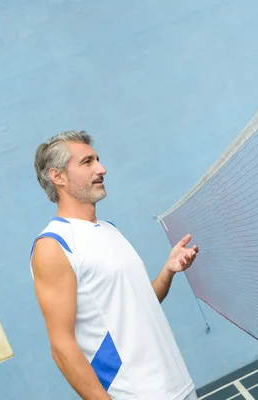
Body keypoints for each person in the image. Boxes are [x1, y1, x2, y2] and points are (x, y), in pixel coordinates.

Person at [30, 130, 199, 400]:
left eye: (97, 159)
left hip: (179, 385)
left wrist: (167, 271)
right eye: (87, 162)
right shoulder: (54, 245)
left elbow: (138, 306)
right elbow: (61, 347)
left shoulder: (109, 230)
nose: (101, 168)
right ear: (57, 176)